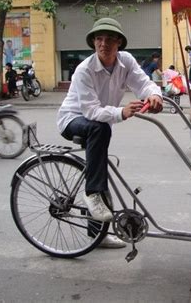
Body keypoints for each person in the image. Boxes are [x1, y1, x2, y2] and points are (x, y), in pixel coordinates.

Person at [56, 18, 163, 248]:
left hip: (98, 124)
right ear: (94, 42)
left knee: (99, 164)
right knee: (100, 130)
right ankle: (92, 193)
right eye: (99, 39)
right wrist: (122, 112)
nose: (103, 44)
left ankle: (98, 235)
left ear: (119, 43)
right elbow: (91, 111)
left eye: (109, 39)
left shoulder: (126, 61)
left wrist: (154, 95)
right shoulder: (84, 70)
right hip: (72, 119)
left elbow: (143, 83)